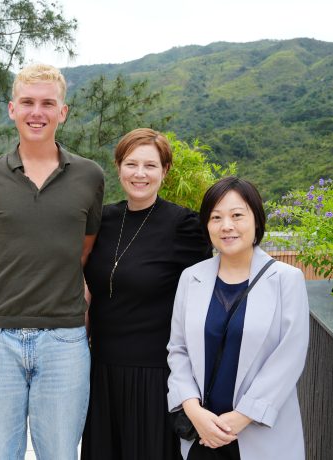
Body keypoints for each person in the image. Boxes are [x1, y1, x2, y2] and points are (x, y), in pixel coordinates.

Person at [0, 63, 105, 460]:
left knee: (61, 454)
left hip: (64, 338)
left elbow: (83, 248)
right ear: (12, 109)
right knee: (0, 454)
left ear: (63, 112)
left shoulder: (89, 176)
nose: (37, 112)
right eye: (27, 102)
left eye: (48, 103)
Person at [81, 128, 212, 459]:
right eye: (131, 164)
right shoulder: (102, 220)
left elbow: (202, 304)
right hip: (100, 371)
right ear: (119, 167)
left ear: (165, 171)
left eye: (150, 166)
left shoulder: (184, 226)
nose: (140, 174)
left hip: (154, 376)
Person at [167, 177, 309, 460]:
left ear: (256, 220)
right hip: (202, 434)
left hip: (259, 433)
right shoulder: (191, 278)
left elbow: (289, 356)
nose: (226, 226)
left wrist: (244, 415)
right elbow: (178, 349)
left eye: (237, 216)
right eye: (216, 217)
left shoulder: (285, 279)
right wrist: (193, 410)